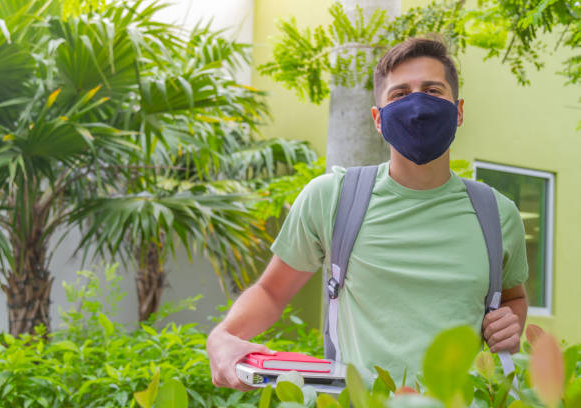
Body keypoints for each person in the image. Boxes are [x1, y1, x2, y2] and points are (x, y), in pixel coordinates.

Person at [206, 36, 529, 390]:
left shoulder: (497, 213)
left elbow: (512, 298)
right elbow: (271, 292)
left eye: (433, 91)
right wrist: (223, 337)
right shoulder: (333, 198)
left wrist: (511, 322)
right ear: (379, 118)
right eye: (400, 94)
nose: (418, 105)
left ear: (459, 111)